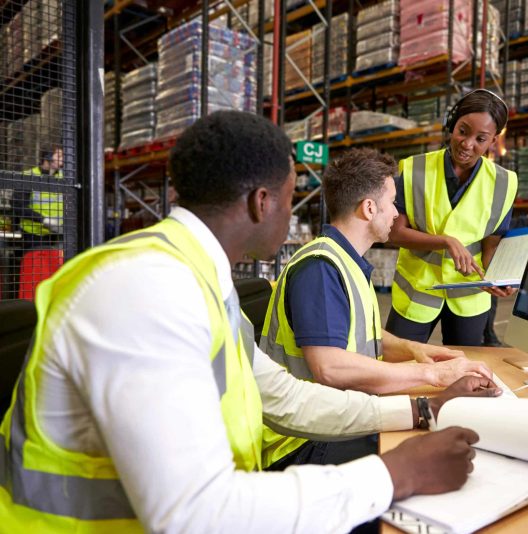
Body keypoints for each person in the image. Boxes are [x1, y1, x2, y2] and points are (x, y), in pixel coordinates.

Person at [0, 111, 502, 533]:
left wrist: (421, 409)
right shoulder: (144, 287)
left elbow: (283, 396)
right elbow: (192, 513)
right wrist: (393, 475)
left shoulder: (201, 277)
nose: (294, 210)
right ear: (261, 202)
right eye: (289, 196)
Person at [260, 147, 493, 467]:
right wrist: (432, 374)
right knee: (443, 448)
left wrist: (414, 350)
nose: (397, 213)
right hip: (303, 442)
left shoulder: (344, 261)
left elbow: (361, 334)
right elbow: (330, 367)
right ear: (369, 208)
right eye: (391, 203)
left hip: (336, 421)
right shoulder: (320, 268)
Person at [387, 89, 518, 346]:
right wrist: (445, 241)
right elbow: (394, 233)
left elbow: (492, 239)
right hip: (417, 290)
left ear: (493, 141)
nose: (468, 144)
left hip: (469, 295)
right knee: (395, 362)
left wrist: (496, 276)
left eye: (480, 138)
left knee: (464, 372)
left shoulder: (505, 182)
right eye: (462, 131)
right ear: (452, 125)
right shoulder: (413, 168)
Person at [481, 209, 528, 346]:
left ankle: (489, 335)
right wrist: (526, 220)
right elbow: (502, 226)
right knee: (490, 301)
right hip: (485, 265)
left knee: (490, 301)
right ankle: (489, 336)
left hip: (490, 264)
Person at [13, 147, 64, 251]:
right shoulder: (28, 176)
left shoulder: (64, 178)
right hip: (33, 236)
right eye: (59, 156)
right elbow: (18, 205)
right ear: (48, 158)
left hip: (58, 235)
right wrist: (43, 220)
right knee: (36, 266)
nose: (62, 159)